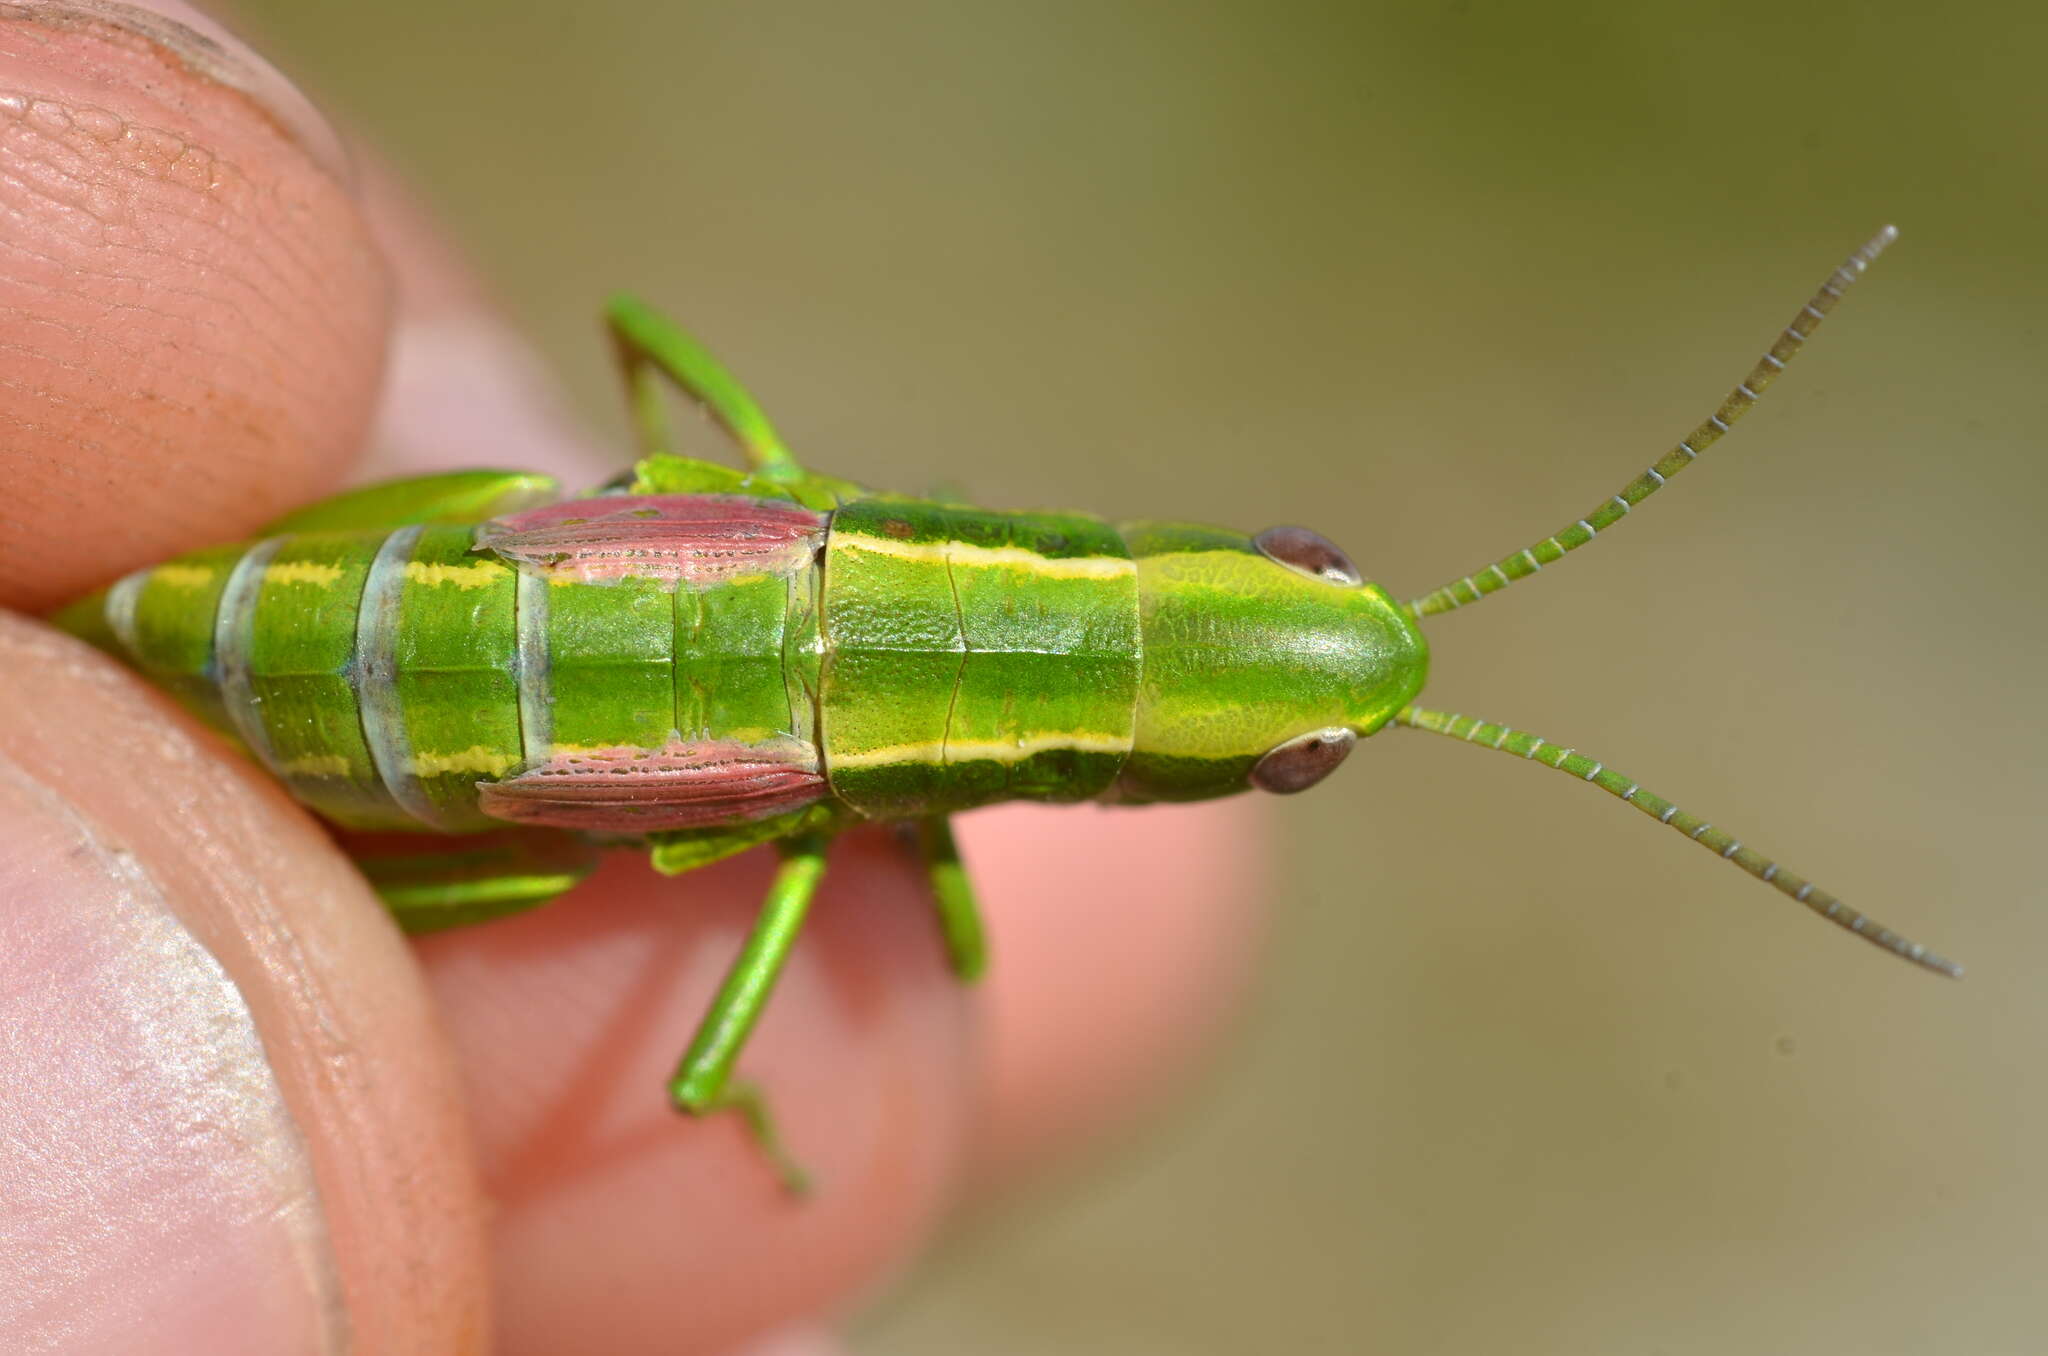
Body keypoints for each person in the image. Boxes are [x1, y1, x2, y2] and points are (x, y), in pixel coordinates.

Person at [0, 3, 1266, 1351]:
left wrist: (668, 463)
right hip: (397, 728)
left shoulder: (813, 511)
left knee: (508, 514)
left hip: (348, 591)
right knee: (547, 878)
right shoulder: (884, 834)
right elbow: (721, 1066)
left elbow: (635, 330)